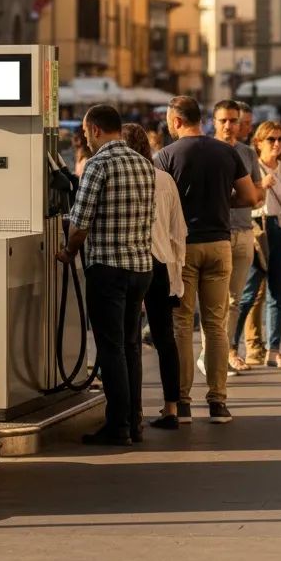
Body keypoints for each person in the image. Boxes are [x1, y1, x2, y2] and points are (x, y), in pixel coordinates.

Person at [155, 96, 257, 424]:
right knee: (215, 325)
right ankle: (217, 402)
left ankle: (182, 403)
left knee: (182, 324)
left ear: (175, 121)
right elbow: (250, 197)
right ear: (204, 119)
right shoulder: (227, 152)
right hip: (219, 243)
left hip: (182, 247)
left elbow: (160, 203)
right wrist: (221, 201)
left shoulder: (166, 156)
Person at [60, 104, 155, 447]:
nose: (85, 138)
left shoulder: (99, 164)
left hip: (108, 269)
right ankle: (134, 422)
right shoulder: (145, 164)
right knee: (131, 347)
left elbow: (80, 221)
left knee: (111, 347)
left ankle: (117, 425)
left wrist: (68, 251)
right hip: (141, 268)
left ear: (96, 130)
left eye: (86, 132)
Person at [122, 123, 187, 430]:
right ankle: (172, 407)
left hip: (128, 261)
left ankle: (131, 410)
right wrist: (177, 273)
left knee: (128, 339)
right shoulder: (164, 179)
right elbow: (178, 231)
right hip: (161, 263)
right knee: (165, 339)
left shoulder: (122, 176)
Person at [232, 121, 281, 368]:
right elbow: (248, 201)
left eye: (280, 139)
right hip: (258, 228)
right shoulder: (251, 166)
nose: (277, 144)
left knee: (278, 293)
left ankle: (274, 350)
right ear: (259, 142)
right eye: (271, 139)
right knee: (248, 293)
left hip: (279, 228)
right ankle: (232, 348)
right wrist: (261, 186)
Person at [211, 99, 264, 375]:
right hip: (213, 234)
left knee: (234, 300)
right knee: (212, 301)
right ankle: (210, 354)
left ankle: (228, 350)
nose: (229, 126)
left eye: (234, 121)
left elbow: (256, 195)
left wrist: (229, 199)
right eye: (224, 121)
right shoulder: (207, 150)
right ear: (214, 122)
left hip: (243, 232)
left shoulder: (247, 153)